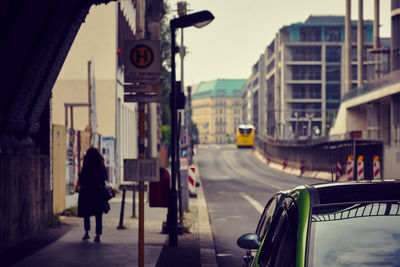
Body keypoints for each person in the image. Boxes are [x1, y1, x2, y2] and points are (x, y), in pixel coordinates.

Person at [78, 147, 108, 243]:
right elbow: (105, 177)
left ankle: (87, 233)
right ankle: (98, 235)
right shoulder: (101, 165)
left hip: (86, 193)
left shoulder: (86, 165)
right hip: (98, 193)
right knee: (98, 215)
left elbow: (82, 179)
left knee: (86, 213)